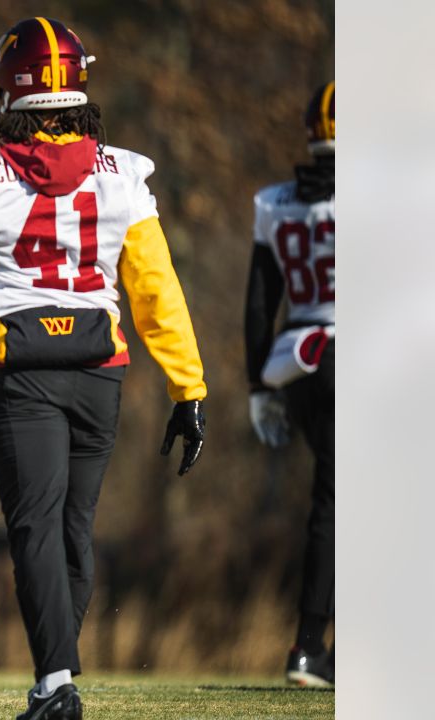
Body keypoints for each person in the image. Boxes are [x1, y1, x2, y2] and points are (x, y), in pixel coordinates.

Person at [0, 19, 207, 720]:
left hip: (20, 376)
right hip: (99, 366)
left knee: (36, 527)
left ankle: (54, 684)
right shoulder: (127, 175)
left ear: (5, 89)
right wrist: (188, 386)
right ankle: (59, 673)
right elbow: (155, 290)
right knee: (74, 526)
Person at [245, 82, 335, 687]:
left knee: (333, 501)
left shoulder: (277, 202)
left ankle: (313, 646)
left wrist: (257, 385)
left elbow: (259, 306)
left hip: (299, 361)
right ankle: (309, 645)